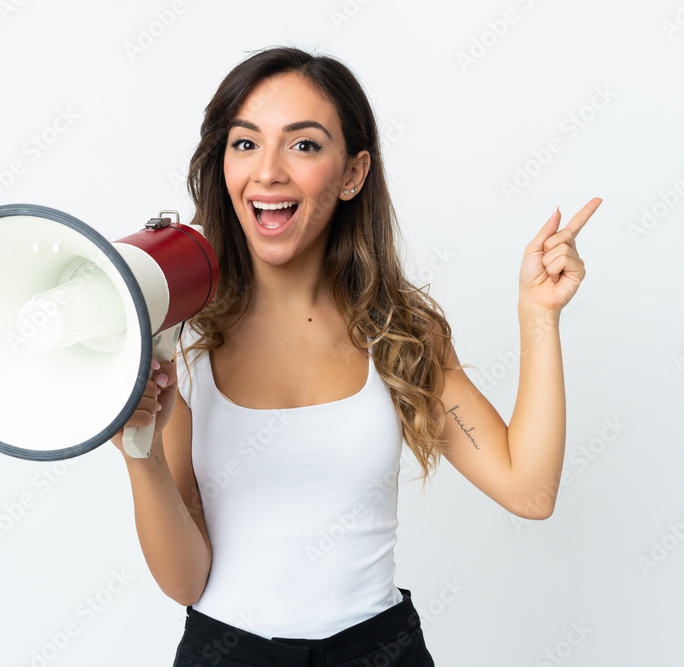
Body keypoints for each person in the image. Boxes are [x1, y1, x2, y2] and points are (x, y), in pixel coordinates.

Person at [112, 46, 602, 666]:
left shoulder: (399, 333)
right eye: (245, 143)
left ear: (352, 173)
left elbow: (529, 491)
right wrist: (142, 455)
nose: (268, 172)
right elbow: (185, 582)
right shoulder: (179, 337)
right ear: (223, 165)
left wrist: (539, 316)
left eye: (304, 145)